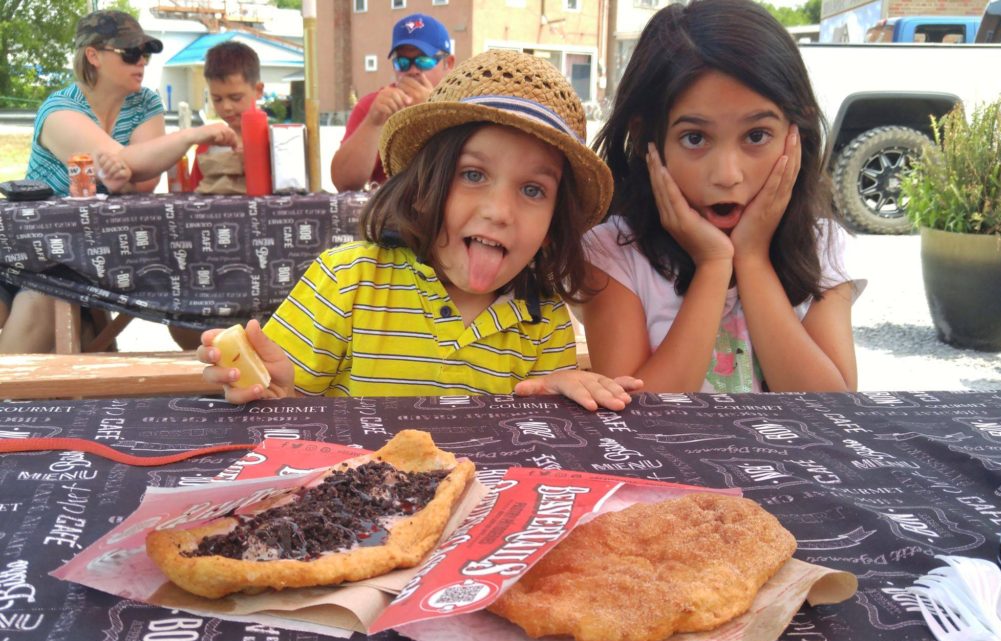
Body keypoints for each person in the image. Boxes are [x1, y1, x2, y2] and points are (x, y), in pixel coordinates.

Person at [199, 50, 642, 411]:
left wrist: (552, 407)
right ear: (423, 187)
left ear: (552, 226)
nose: (499, 211)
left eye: (532, 189)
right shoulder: (348, 281)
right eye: (473, 175)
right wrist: (267, 392)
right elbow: (285, 411)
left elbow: (528, 457)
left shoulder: (544, 322)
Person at [580, 0, 864, 394]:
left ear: (795, 132)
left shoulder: (822, 247)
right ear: (648, 139)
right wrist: (714, 266)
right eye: (695, 138)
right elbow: (636, 420)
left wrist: (752, 259)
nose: (728, 175)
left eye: (756, 135)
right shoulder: (612, 254)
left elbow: (832, 410)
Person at [4, 10, 237, 354]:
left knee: (187, 296)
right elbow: (124, 161)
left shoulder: (144, 102)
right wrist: (190, 136)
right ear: (93, 56)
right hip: (29, 260)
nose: (141, 61)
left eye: (145, 53)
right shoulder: (59, 110)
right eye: (130, 53)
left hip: (88, 264)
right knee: (41, 306)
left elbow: (143, 178)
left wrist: (128, 175)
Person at [330, 13, 455, 192]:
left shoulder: (462, 105)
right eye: (402, 62)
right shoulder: (374, 106)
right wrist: (373, 123)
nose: (412, 70)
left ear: (448, 64)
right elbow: (345, 183)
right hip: (390, 215)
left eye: (424, 61)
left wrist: (432, 113)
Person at [189, 40, 265, 188]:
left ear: (258, 90)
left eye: (235, 98)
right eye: (217, 99)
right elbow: (194, 195)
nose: (226, 107)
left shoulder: (276, 144)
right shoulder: (208, 147)